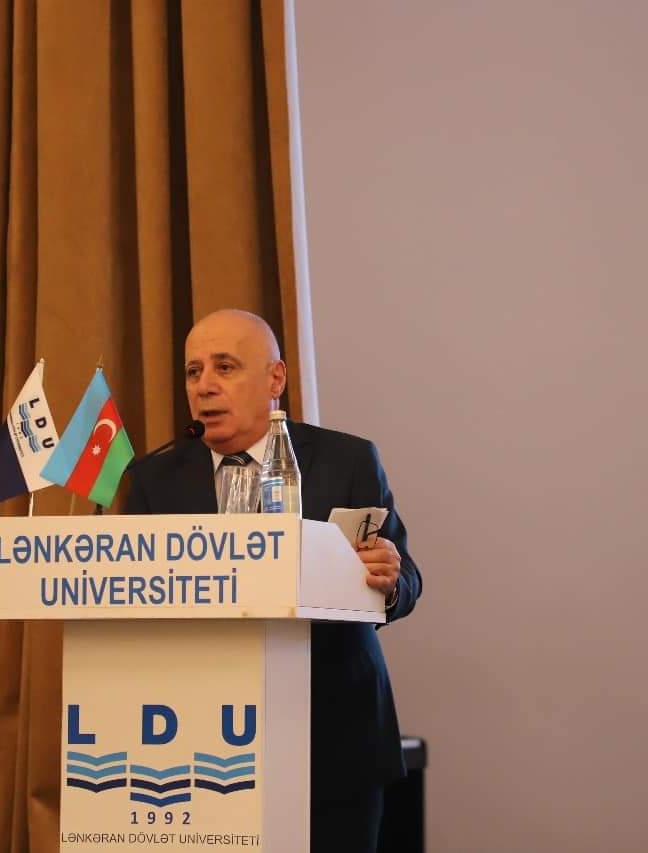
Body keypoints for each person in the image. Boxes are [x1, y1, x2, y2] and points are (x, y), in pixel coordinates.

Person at [124, 309, 422, 852]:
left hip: (334, 737)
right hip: (202, 745)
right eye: (193, 371)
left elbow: (407, 580)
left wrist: (391, 578)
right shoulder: (154, 479)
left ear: (275, 379)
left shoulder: (345, 460)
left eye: (225, 367)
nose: (204, 386)